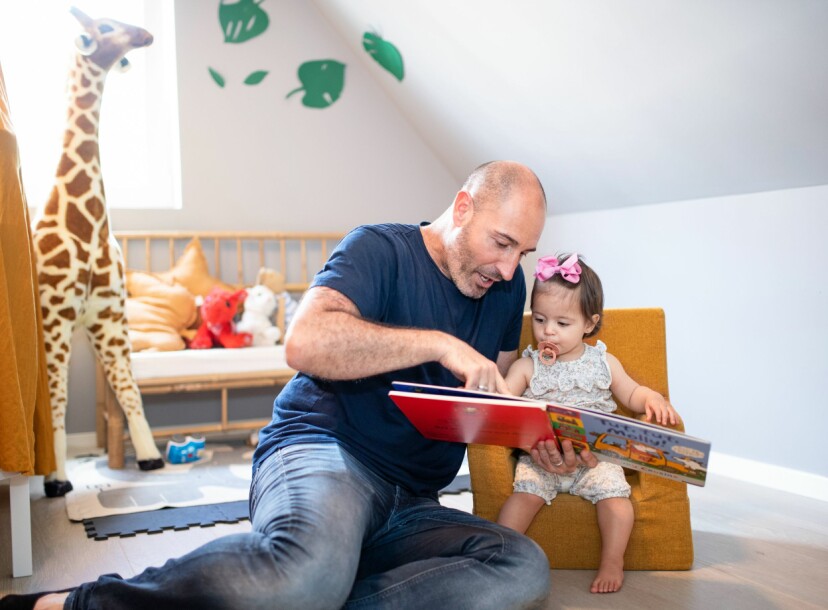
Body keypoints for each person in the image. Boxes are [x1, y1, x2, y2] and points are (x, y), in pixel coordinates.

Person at [4, 161, 597, 610]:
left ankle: (313, 591)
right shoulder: (378, 248)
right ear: (463, 208)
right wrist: (440, 344)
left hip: (413, 501)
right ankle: (84, 603)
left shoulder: (506, 286)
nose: (508, 266)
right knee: (303, 574)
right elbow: (304, 341)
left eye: (524, 250)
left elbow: (488, 398)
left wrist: (534, 439)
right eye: (502, 242)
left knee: (521, 567)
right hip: (321, 452)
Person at [496, 252, 679, 594]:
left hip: (596, 461)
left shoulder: (603, 361)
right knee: (521, 499)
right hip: (543, 459)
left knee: (617, 503)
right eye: (539, 319)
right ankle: (500, 554)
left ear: (589, 324)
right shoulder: (527, 365)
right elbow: (504, 406)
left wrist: (651, 398)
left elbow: (631, 393)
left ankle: (612, 560)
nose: (547, 331)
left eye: (562, 324)